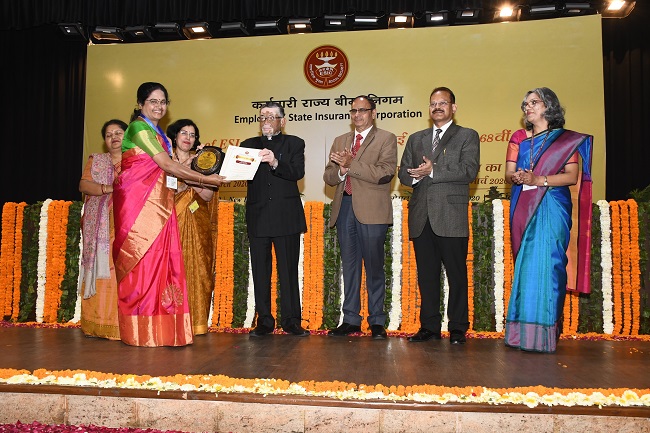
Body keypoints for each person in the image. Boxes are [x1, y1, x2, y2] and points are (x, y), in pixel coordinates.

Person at [112, 82, 226, 347]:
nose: (159, 106)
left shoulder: (159, 134)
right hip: (138, 204)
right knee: (141, 262)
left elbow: (170, 169)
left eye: (163, 102)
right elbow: (166, 165)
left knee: (160, 264)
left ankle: (160, 329)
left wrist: (204, 167)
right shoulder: (139, 128)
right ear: (140, 104)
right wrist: (206, 178)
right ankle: (140, 330)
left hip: (160, 204)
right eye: (153, 101)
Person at [504, 87, 593, 353]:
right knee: (526, 266)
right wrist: (518, 177)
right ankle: (521, 335)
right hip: (524, 204)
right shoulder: (520, 139)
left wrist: (538, 179)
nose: (527, 107)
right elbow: (509, 174)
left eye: (534, 102)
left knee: (550, 265)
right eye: (525, 104)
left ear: (549, 106)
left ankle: (545, 335)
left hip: (553, 205)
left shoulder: (565, 141)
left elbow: (571, 176)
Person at [398, 86, 480, 345]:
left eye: (443, 103)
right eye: (433, 103)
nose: (437, 107)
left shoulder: (467, 135)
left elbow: (469, 171)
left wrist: (433, 171)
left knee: (456, 275)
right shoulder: (416, 138)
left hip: (451, 216)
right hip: (422, 216)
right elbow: (403, 174)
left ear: (453, 108)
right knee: (427, 276)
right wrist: (415, 175)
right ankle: (429, 327)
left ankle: (458, 328)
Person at [323, 95, 397, 340]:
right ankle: (351, 319)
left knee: (374, 267)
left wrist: (351, 163)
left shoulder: (386, 138)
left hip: (372, 211)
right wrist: (341, 170)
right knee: (350, 266)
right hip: (344, 207)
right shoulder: (340, 140)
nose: (357, 115)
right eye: (354, 111)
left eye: (363, 110)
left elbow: (386, 173)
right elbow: (329, 176)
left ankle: (377, 321)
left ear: (373, 113)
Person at [243, 101, 309, 337]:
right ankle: (264, 321)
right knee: (260, 272)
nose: (266, 121)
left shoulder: (295, 143)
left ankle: (291, 321)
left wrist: (275, 162)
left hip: (286, 217)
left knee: (288, 271)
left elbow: (297, 173)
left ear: (283, 121)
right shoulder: (248, 146)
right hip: (258, 216)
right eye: (263, 117)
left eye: (271, 116)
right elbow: (236, 171)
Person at [78, 119, 128, 340]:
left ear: (127, 136)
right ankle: (96, 323)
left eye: (118, 133)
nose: (114, 137)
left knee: (121, 270)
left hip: (128, 223)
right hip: (101, 226)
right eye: (109, 135)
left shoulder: (136, 161)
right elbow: (84, 185)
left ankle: (121, 325)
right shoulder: (96, 160)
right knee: (102, 268)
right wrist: (110, 188)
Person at [167, 119, 217, 336]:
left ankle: (195, 321)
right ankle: (169, 321)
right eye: (184, 133)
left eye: (192, 134)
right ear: (174, 136)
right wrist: (183, 169)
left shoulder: (203, 161)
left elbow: (207, 195)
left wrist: (193, 173)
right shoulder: (164, 160)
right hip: (169, 223)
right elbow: (164, 190)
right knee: (170, 270)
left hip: (197, 224)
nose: (188, 138)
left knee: (198, 270)